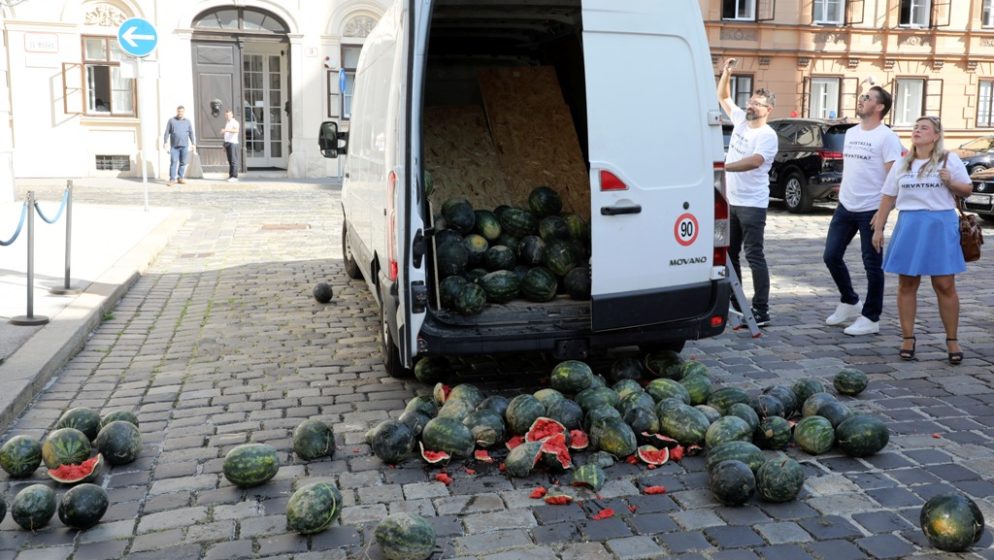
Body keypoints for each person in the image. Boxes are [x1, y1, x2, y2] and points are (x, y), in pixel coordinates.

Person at [871, 116, 972, 364]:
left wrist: (951, 181)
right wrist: (878, 228)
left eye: (923, 128)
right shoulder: (903, 163)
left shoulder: (949, 159)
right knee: (907, 283)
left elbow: (967, 189)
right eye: (915, 127)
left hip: (940, 224)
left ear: (935, 136)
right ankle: (907, 337)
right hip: (910, 225)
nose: (917, 131)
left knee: (945, 284)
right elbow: (888, 196)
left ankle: (952, 340)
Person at [823, 86, 904, 336]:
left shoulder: (886, 137)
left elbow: (894, 178)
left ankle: (871, 317)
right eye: (861, 96)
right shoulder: (851, 132)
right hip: (845, 206)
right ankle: (849, 301)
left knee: (872, 265)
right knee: (831, 256)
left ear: (879, 107)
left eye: (867, 98)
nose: (861, 100)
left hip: (871, 209)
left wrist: (883, 215)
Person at [716, 58, 779, 326]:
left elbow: (755, 161)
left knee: (755, 255)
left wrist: (725, 167)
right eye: (751, 101)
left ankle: (761, 310)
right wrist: (727, 73)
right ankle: (739, 305)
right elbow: (723, 97)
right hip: (731, 201)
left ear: (768, 110)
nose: (750, 105)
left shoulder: (767, 135)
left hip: (752, 205)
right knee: (729, 255)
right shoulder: (741, 120)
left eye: (757, 103)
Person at [163, 106, 196, 186]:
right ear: (176, 111)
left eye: (181, 111)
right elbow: (167, 132)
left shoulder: (187, 121)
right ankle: (172, 179)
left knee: (183, 162)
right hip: (174, 146)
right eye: (179, 111)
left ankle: (180, 178)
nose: (180, 113)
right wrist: (165, 142)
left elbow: (191, 133)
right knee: (173, 162)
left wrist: (193, 143)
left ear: (184, 112)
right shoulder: (171, 121)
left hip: (184, 146)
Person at [220, 109, 240, 182]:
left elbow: (236, 130)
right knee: (230, 160)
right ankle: (231, 176)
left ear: (232, 115)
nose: (227, 116)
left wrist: (226, 130)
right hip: (228, 143)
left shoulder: (235, 122)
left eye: (229, 115)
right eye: (226, 115)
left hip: (233, 143)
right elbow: (227, 135)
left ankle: (234, 177)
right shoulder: (227, 122)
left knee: (234, 161)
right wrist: (224, 145)